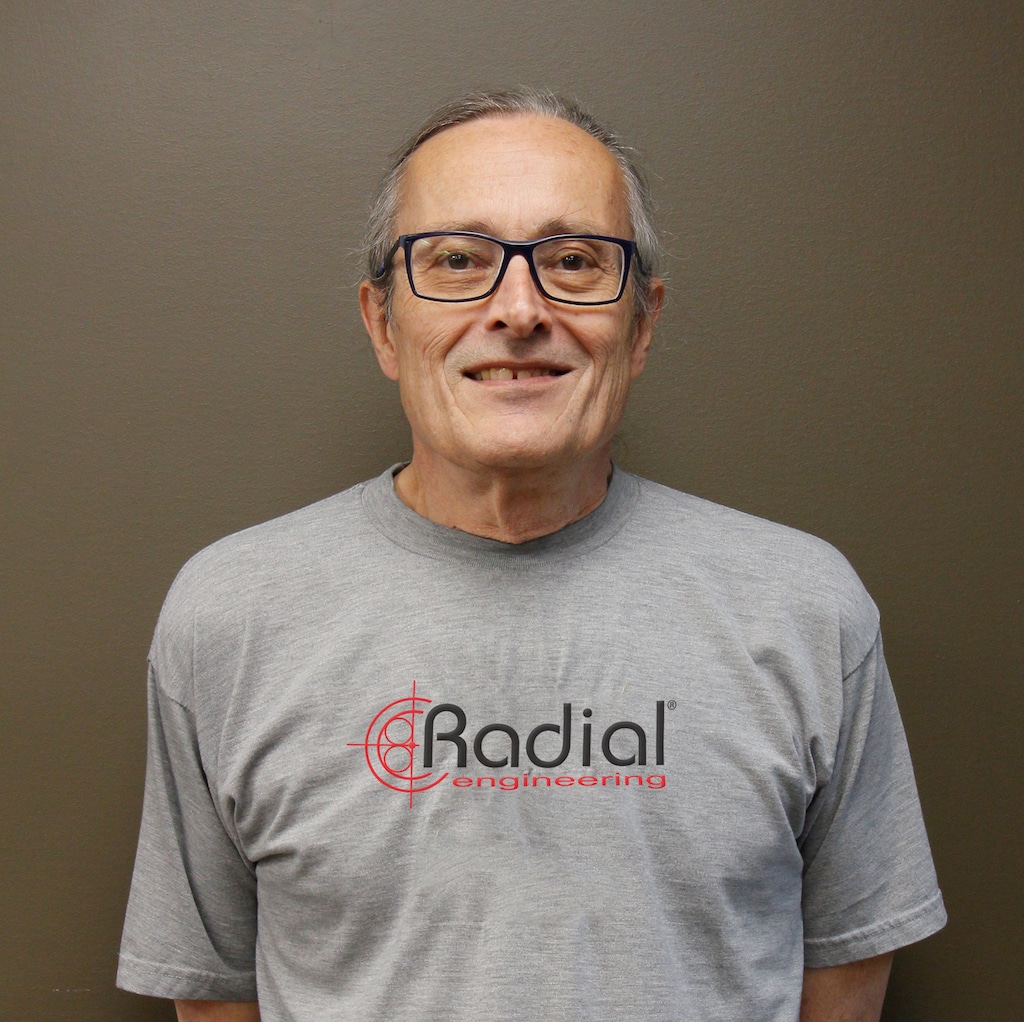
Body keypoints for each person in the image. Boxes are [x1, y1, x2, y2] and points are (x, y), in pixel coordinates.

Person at [117, 88, 946, 1022]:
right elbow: (214, 994)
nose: (518, 309)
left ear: (642, 325)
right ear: (383, 324)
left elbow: (846, 975)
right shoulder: (231, 614)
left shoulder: (803, 608)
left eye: (575, 262)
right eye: (458, 259)